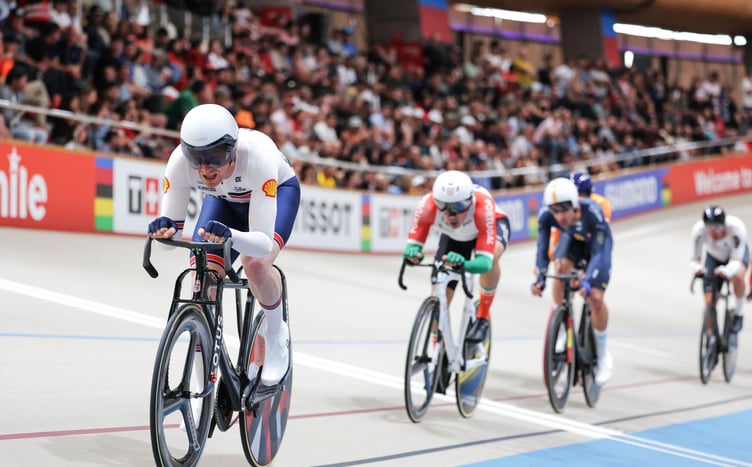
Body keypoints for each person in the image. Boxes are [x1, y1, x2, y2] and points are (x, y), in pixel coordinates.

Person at [147, 103, 301, 387]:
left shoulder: (259, 155)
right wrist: (165, 232)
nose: (205, 169)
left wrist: (231, 234)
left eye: (215, 157)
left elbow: (262, 243)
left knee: (255, 265)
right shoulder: (179, 162)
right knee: (201, 278)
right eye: (196, 158)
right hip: (223, 202)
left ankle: (277, 331)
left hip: (277, 194)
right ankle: (200, 386)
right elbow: (173, 237)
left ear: (232, 151)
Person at [402, 170, 510, 343]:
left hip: (488, 226)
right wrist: (413, 255)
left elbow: (485, 262)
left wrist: (465, 264)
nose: (450, 214)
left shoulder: (483, 206)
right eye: (443, 205)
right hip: (456, 236)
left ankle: (482, 316)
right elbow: (413, 246)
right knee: (438, 298)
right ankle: (440, 354)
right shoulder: (427, 204)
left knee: (494, 255)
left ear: (469, 201)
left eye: (458, 206)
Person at [531, 177, 614, 385]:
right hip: (574, 243)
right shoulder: (546, 217)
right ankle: (562, 320)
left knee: (595, 297)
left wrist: (588, 280)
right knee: (559, 268)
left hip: (596, 247)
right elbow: (542, 249)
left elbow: (599, 252)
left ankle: (603, 355)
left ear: (575, 205)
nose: (559, 216)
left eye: (564, 210)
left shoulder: (592, 210)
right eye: (555, 211)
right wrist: (540, 277)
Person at [690, 205, 747, 333]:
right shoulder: (698, 230)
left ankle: (739, 312)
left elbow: (736, 262)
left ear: (724, 225)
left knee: (738, 277)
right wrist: (697, 268)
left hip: (735, 256)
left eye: (718, 227)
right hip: (714, 256)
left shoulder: (737, 228)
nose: (714, 232)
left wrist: (727, 271)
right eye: (710, 228)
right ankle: (710, 336)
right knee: (709, 301)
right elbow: (694, 260)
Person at [547, 171, 612, 260]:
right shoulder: (567, 208)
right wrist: (551, 254)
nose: (580, 200)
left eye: (583, 195)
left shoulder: (602, 204)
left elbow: (601, 234)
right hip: (574, 238)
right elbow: (557, 231)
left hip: (590, 238)